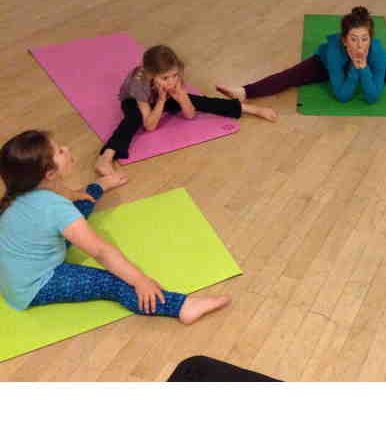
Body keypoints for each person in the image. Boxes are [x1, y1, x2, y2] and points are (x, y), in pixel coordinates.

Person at [0, 130, 231, 324]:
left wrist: (81, 193)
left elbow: (63, 194)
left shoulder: (24, 189)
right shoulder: (55, 208)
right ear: (50, 174)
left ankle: (98, 186)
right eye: (60, 151)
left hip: (19, 269)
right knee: (114, 282)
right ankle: (182, 307)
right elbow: (102, 251)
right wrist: (140, 280)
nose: (67, 148)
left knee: (80, 202)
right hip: (33, 286)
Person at [216, 6, 386, 106]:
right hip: (328, 65)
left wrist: (363, 68)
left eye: (364, 39)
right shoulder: (334, 53)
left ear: (371, 39)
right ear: (344, 40)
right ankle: (245, 91)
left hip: (368, 66)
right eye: (353, 39)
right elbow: (342, 96)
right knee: (290, 76)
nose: (360, 46)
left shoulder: (376, 52)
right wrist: (353, 71)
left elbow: (372, 97)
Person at [95, 45, 277, 176]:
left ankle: (246, 108)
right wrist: (161, 101)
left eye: (174, 75)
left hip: (159, 98)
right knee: (133, 118)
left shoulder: (173, 80)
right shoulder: (139, 84)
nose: (171, 81)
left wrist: (181, 96)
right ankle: (106, 157)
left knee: (199, 100)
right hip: (135, 101)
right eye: (165, 78)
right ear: (151, 75)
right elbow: (149, 126)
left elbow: (190, 115)